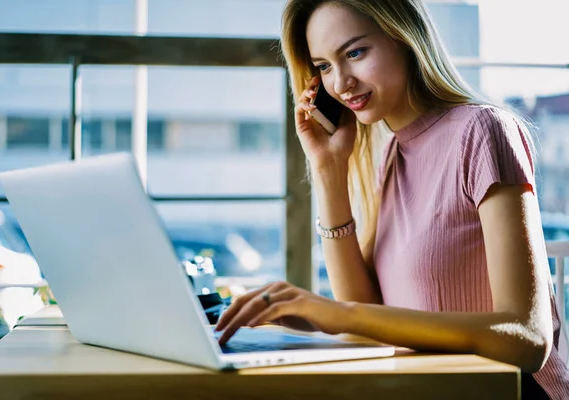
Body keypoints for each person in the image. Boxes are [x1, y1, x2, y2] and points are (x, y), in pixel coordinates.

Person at [215, 0, 569, 397]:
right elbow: (365, 307)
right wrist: (329, 170)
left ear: (404, 37)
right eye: (324, 66)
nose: (340, 83)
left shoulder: (483, 130)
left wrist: (337, 313)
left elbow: (527, 338)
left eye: (354, 53)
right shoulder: (392, 154)